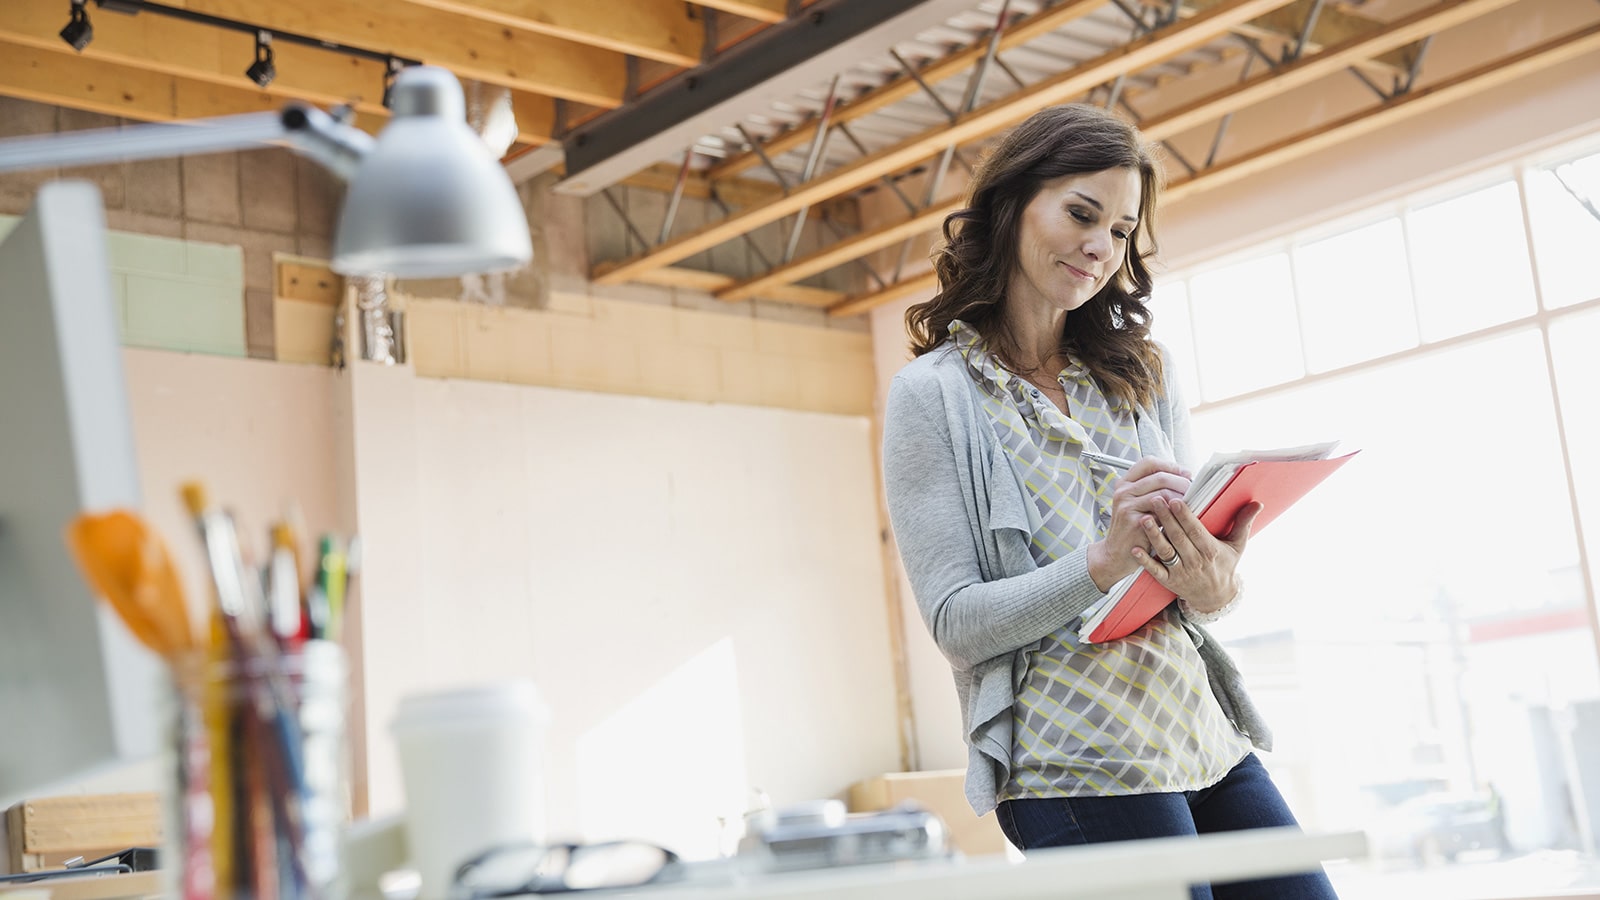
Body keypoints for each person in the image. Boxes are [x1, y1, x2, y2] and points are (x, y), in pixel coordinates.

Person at [881, 104, 1339, 900]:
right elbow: (957, 622)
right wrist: (1101, 562)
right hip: (1073, 762)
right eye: (1081, 214)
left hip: (1200, 737)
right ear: (1012, 206)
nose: (1101, 246)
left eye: (1123, 230)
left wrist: (1214, 575)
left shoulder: (1142, 372)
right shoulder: (933, 396)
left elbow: (1206, 597)